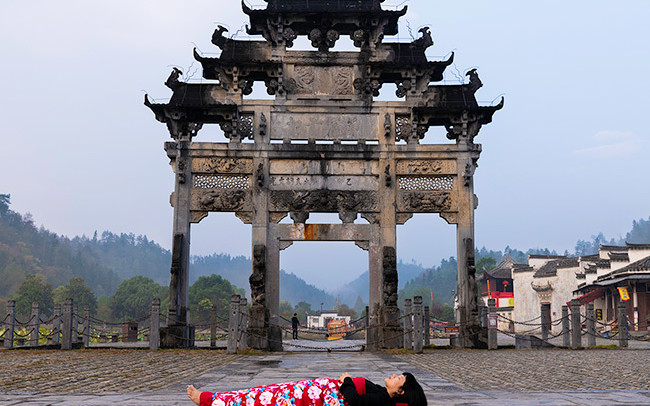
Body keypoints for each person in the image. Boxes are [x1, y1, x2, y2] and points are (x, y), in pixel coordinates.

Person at [186, 372, 427, 406]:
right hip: (317, 391)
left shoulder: (383, 401)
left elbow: (354, 401)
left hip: (315, 396)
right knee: (262, 393)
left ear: (401, 392)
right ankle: (211, 398)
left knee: (260, 398)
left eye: (399, 379)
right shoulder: (384, 396)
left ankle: (208, 400)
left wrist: (346, 381)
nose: (394, 376)